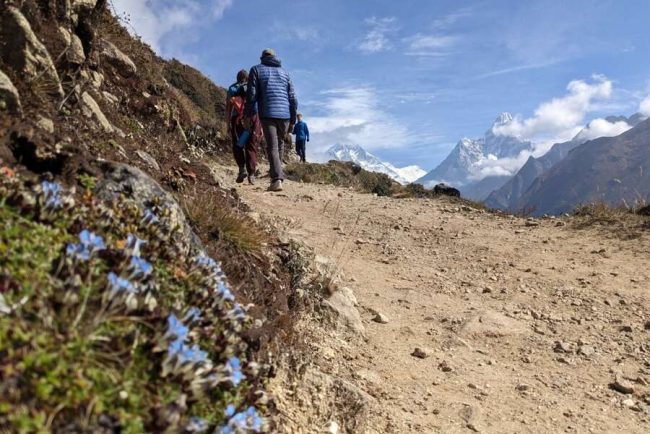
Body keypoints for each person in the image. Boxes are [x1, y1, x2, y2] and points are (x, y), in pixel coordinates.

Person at [245, 48, 298, 192]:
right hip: (285, 115)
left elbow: (251, 95)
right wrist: (293, 120)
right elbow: (293, 98)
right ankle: (278, 176)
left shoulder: (256, 70)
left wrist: (248, 115)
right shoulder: (285, 73)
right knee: (279, 144)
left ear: (262, 57)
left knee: (272, 147)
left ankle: (276, 179)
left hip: (268, 113)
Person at [226, 69, 260, 184]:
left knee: (238, 144)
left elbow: (228, 108)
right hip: (252, 119)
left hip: (238, 121)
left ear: (237, 78)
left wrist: (228, 124)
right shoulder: (253, 87)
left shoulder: (232, 88)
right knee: (251, 145)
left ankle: (242, 169)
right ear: (248, 77)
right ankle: (252, 174)